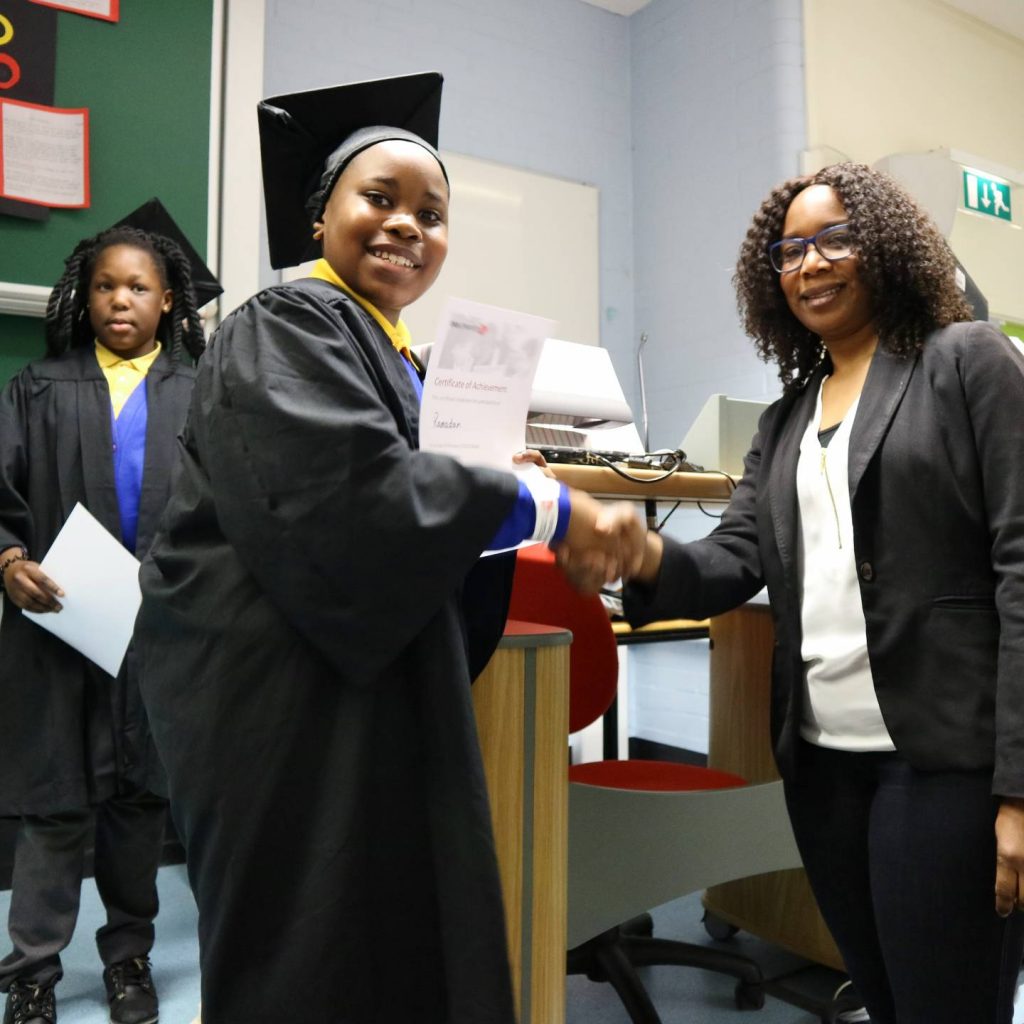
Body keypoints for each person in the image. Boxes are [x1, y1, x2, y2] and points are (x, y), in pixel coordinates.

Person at [135, 72, 640, 1024]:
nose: (408, 224)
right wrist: (542, 506)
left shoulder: (399, 358)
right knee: (310, 954)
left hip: (362, 695)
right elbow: (352, 502)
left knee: (390, 936)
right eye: (380, 198)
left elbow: (413, 512)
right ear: (318, 217)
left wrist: (492, 486)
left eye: (433, 213)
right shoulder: (283, 324)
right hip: (282, 707)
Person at [561, 162, 1024, 1023]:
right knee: (885, 999)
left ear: (885, 247)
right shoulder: (785, 420)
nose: (811, 263)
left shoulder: (965, 360)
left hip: (944, 764)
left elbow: (1020, 567)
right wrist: (641, 553)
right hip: (825, 771)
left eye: (835, 239)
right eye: (791, 250)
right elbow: (733, 559)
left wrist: (1019, 786)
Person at [0, 199, 218, 1024]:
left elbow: (229, 515)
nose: (120, 299)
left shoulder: (201, 395)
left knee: (139, 806)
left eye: (138, 287)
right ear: (83, 296)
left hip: (160, 636)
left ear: (169, 301)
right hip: (59, 627)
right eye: (104, 286)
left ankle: (128, 959)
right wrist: (8, 561)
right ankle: (32, 972)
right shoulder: (38, 388)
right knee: (54, 806)